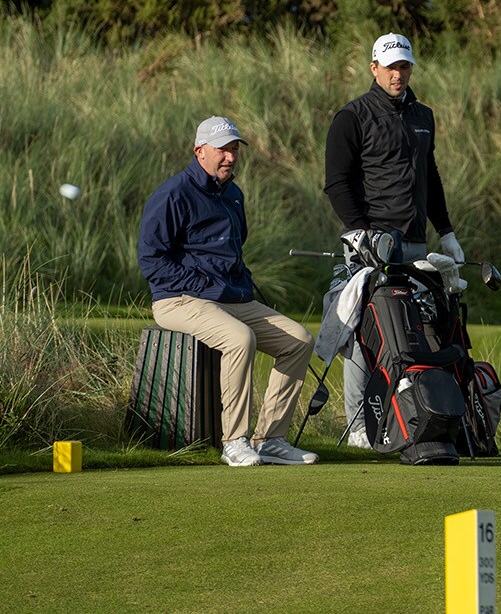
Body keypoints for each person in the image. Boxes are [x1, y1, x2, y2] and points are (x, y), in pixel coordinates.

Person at [138, 116, 319, 467]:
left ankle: (270, 439)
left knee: (298, 339)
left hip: (230, 297)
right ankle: (235, 442)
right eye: (222, 150)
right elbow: (151, 261)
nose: (230, 157)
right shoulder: (172, 194)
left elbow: (234, 250)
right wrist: (202, 285)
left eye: (234, 149)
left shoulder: (233, 194)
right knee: (240, 339)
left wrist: (235, 283)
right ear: (200, 151)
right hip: (177, 299)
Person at [324, 32, 467, 447]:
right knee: (361, 332)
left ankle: (408, 417)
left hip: (415, 244)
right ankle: (358, 428)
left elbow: (431, 178)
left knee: (416, 331)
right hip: (369, 246)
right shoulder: (352, 117)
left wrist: (448, 231)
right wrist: (358, 230)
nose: (397, 74)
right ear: (374, 68)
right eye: (390, 67)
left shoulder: (423, 116)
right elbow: (337, 183)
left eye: (404, 66)